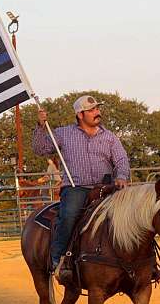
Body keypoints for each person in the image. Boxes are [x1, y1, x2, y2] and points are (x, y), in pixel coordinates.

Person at [32, 95, 130, 278]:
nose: (97, 113)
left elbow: (122, 159)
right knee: (69, 215)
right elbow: (40, 149)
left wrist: (122, 176)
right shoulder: (63, 134)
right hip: (76, 187)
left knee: (130, 215)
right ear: (80, 114)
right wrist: (40, 126)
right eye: (92, 110)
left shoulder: (109, 137)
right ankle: (59, 258)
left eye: (97, 109)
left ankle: (135, 260)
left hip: (105, 187)